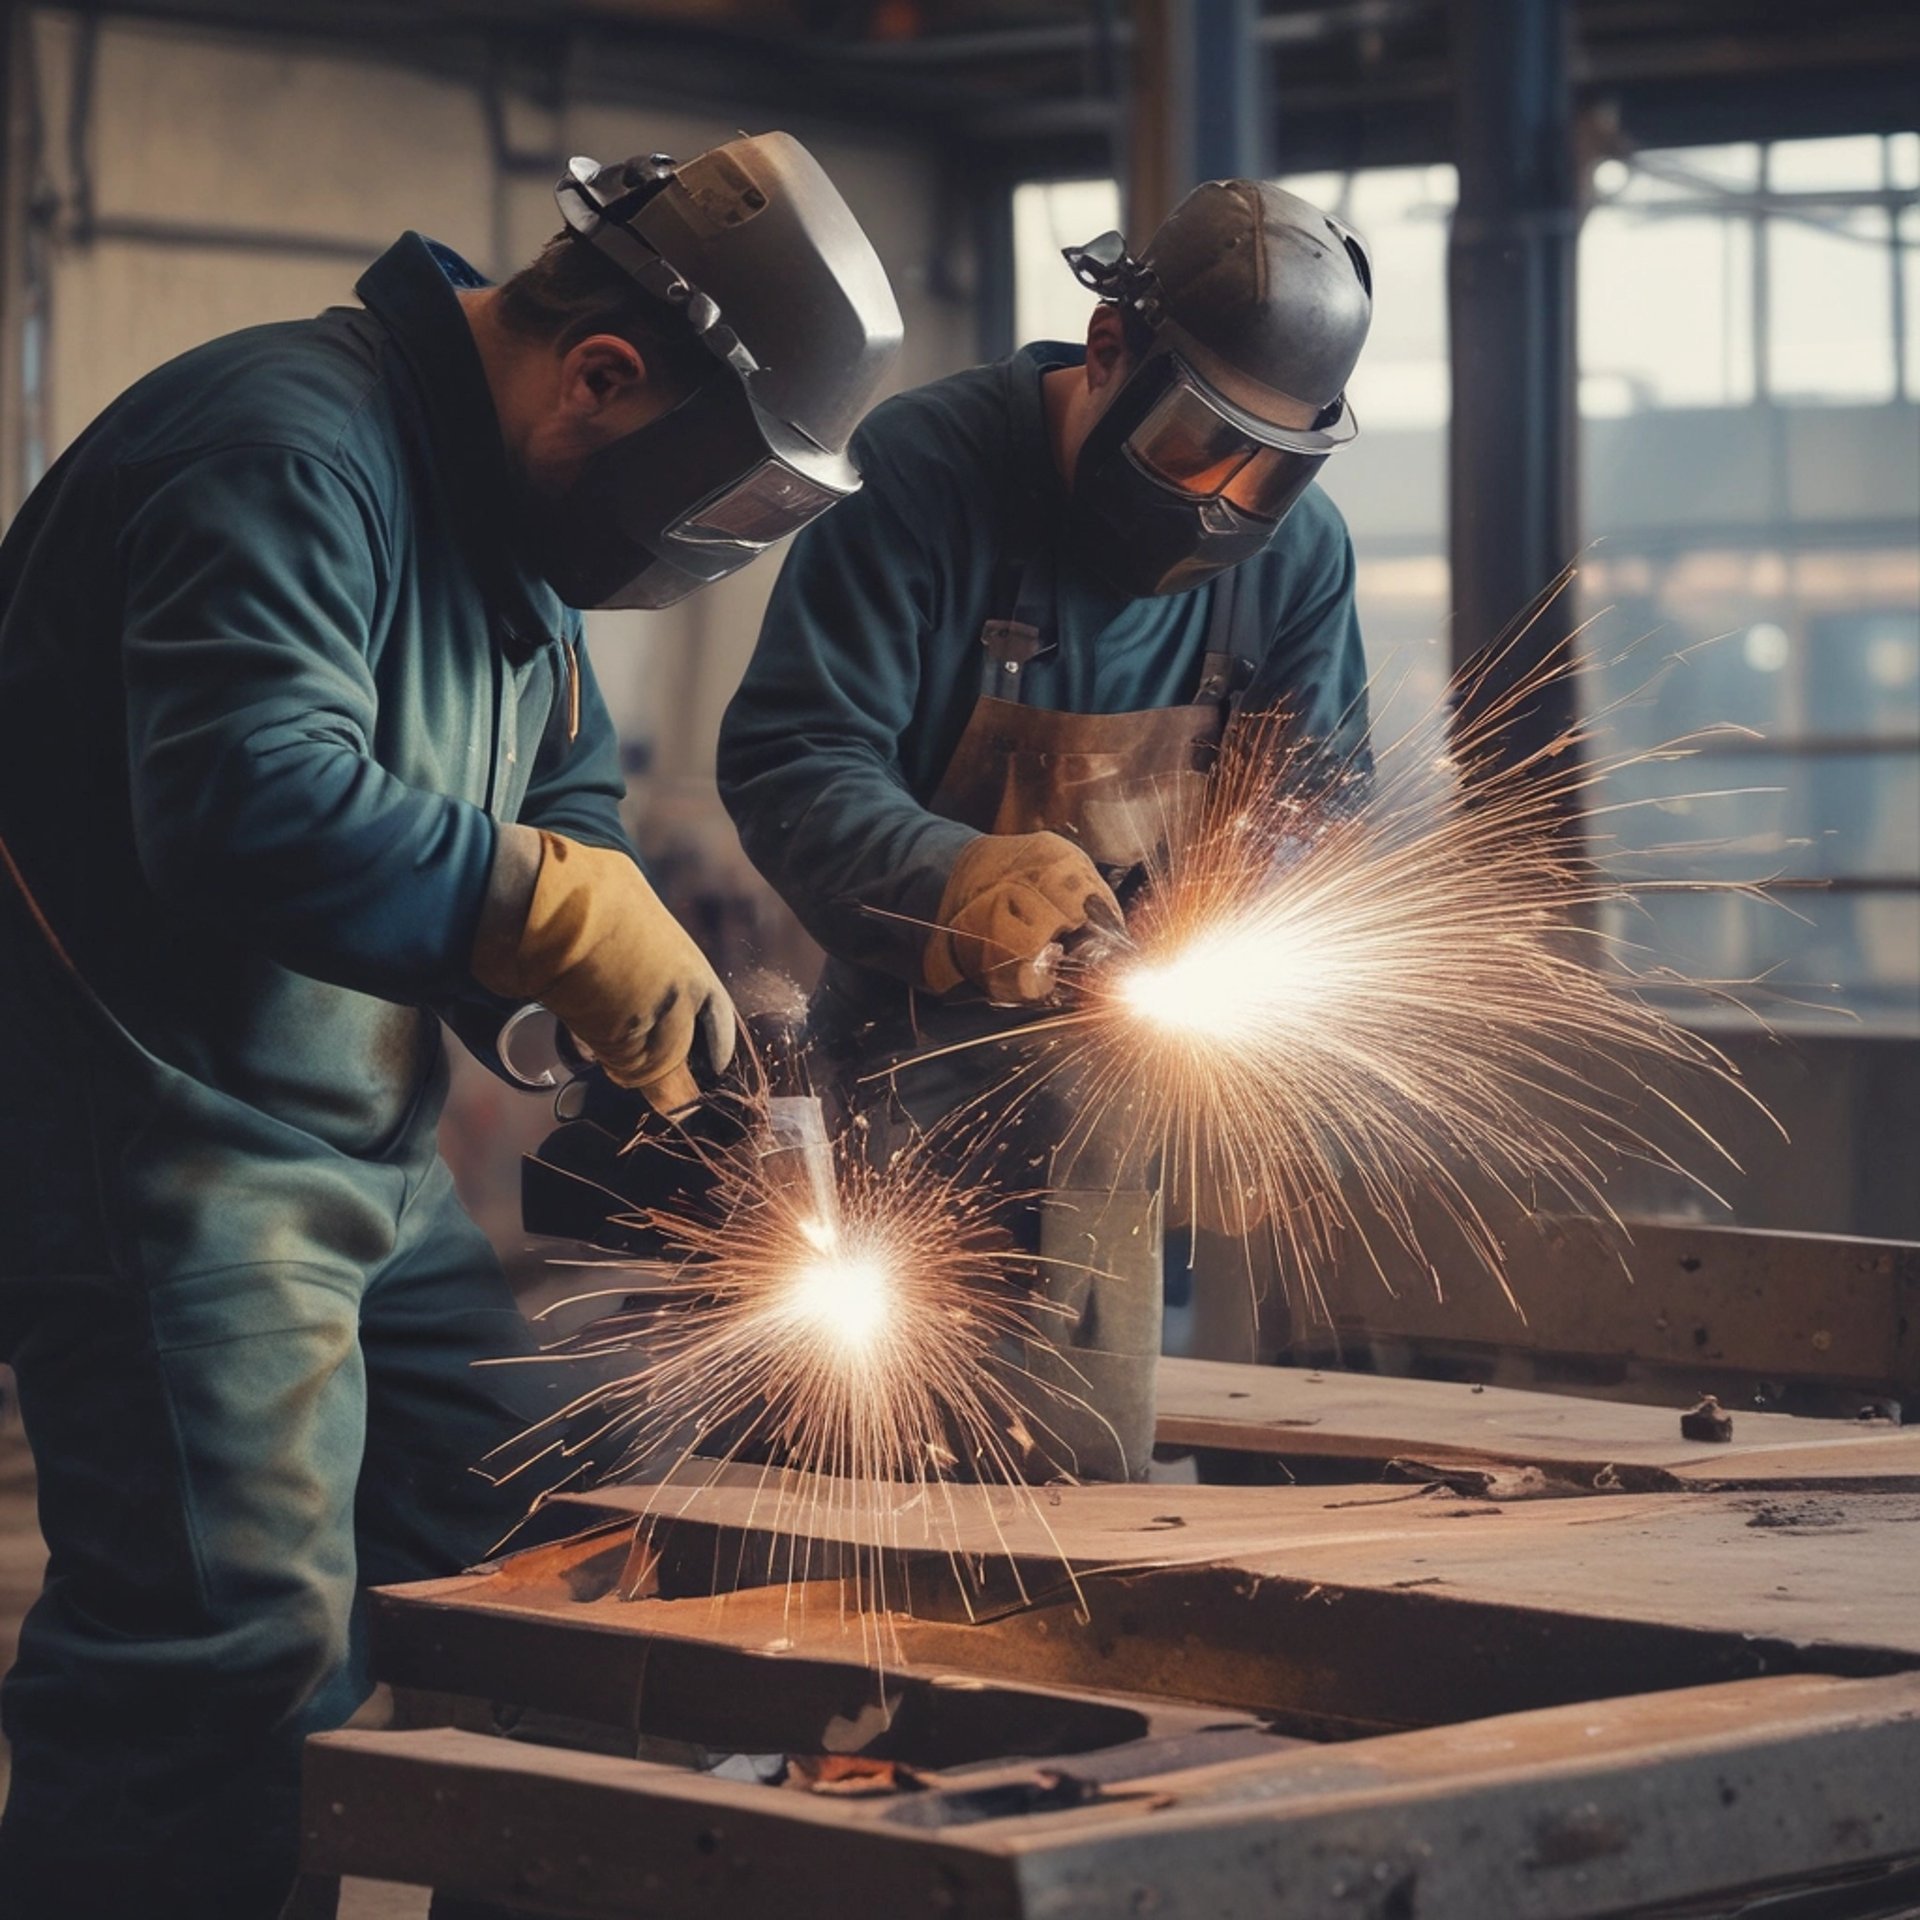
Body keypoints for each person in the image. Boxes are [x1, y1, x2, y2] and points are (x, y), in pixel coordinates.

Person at [0, 132, 899, 1918]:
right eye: (719, 508)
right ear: (605, 375)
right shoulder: (281, 447)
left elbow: (560, 788)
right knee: (233, 1651)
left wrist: (601, 965)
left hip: (360, 1156)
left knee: (530, 1532)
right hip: (161, 1145)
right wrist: (538, 910)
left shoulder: (499, 531)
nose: (707, 554)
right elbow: (244, 799)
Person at [719, 178, 1374, 1483]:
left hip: (1115, 1085)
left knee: (1067, 1475)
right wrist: (953, 876)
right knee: (848, 1476)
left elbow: (1312, 808)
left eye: (1273, 470)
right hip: (894, 1070)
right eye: (1199, 445)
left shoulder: (1296, 564)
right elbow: (794, 753)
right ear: (1111, 349)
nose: (1223, 506)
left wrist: (1246, 976)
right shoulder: (925, 475)